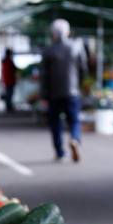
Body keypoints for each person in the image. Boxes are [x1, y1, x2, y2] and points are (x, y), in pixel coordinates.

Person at [40, 19, 86, 162]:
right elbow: (83, 69)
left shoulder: (48, 50)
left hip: (53, 94)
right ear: (67, 31)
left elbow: (44, 75)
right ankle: (74, 139)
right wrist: (79, 85)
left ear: (53, 33)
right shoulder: (76, 47)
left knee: (55, 124)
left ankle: (60, 152)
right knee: (74, 120)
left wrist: (44, 94)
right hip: (72, 92)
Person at [1, 48, 18, 113]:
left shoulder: (4, 61)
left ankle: (8, 106)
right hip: (10, 80)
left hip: (7, 80)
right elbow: (14, 69)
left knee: (8, 94)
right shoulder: (9, 61)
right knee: (9, 94)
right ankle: (9, 106)